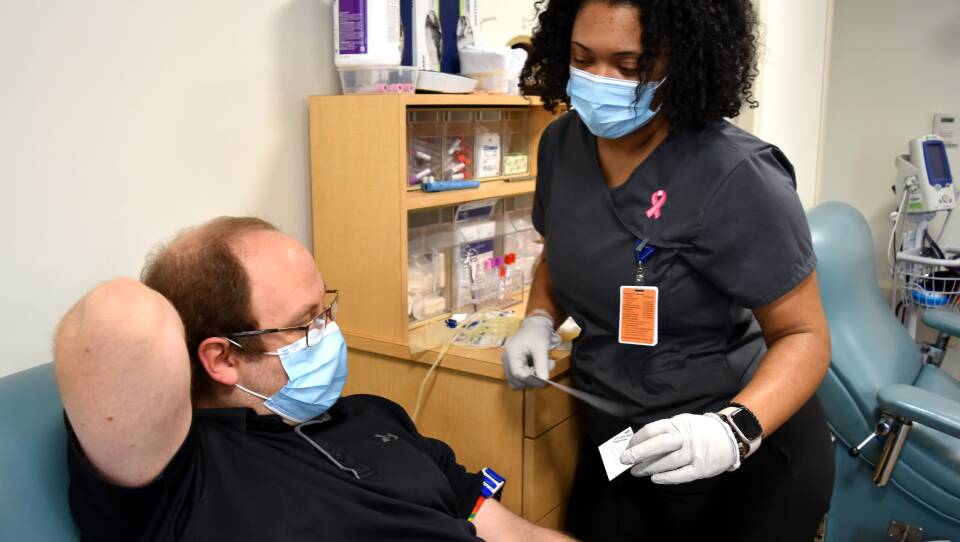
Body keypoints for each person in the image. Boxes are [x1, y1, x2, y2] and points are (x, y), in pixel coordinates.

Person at [501, 1, 835, 540]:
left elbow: (805, 335)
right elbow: (561, 249)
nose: (600, 79)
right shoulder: (561, 145)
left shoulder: (736, 173)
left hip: (736, 448)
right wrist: (538, 318)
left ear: (681, 61)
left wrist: (732, 432)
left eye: (629, 66)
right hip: (619, 438)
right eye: (583, 58)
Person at [54, 216, 574, 541]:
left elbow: (514, 535)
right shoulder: (184, 480)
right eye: (306, 324)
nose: (331, 333)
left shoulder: (375, 416)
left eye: (325, 310)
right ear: (222, 358)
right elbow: (117, 314)